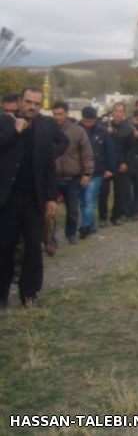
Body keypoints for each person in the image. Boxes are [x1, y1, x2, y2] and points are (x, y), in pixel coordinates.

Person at [0, 87, 65, 308]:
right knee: (4, 248)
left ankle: (29, 294)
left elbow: (49, 166)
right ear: (19, 102)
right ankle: (1, 295)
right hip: (6, 199)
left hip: (34, 200)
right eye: (28, 102)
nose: (32, 107)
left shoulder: (46, 128)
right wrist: (14, 132)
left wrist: (51, 198)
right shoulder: (5, 123)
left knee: (32, 249)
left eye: (36, 104)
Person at [51, 101, 94, 245]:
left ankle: (70, 233)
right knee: (50, 211)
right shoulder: (48, 130)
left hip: (73, 177)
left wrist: (87, 173)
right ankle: (50, 238)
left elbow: (87, 153)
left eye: (60, 114)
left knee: (72, 210)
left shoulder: (78, 131)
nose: (57, 117)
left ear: (67, 114)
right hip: (52, 177)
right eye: (55, 114)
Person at [78, 106, 115, 237]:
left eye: (91, 121)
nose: (88, 124)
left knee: (89, 201)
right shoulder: (77, 130)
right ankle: (91, 225)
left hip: (97, 170)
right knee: (83, 202)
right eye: (86, 121)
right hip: (79, 171)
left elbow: (109, 150)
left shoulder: (102, 131)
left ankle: (85, 226)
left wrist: (110, 168)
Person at [108, 102, 137, 225]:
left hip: (122, 164)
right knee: (104, 192)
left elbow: (132, 149)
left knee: (121, 192)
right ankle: (103, 216)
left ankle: (118, 215)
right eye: (116, 111)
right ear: (112, 112)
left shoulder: (129, 129)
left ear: (124, 113)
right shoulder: (106, 126)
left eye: (120, 111)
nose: (118, 113)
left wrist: (126, 162)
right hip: (108, 164)